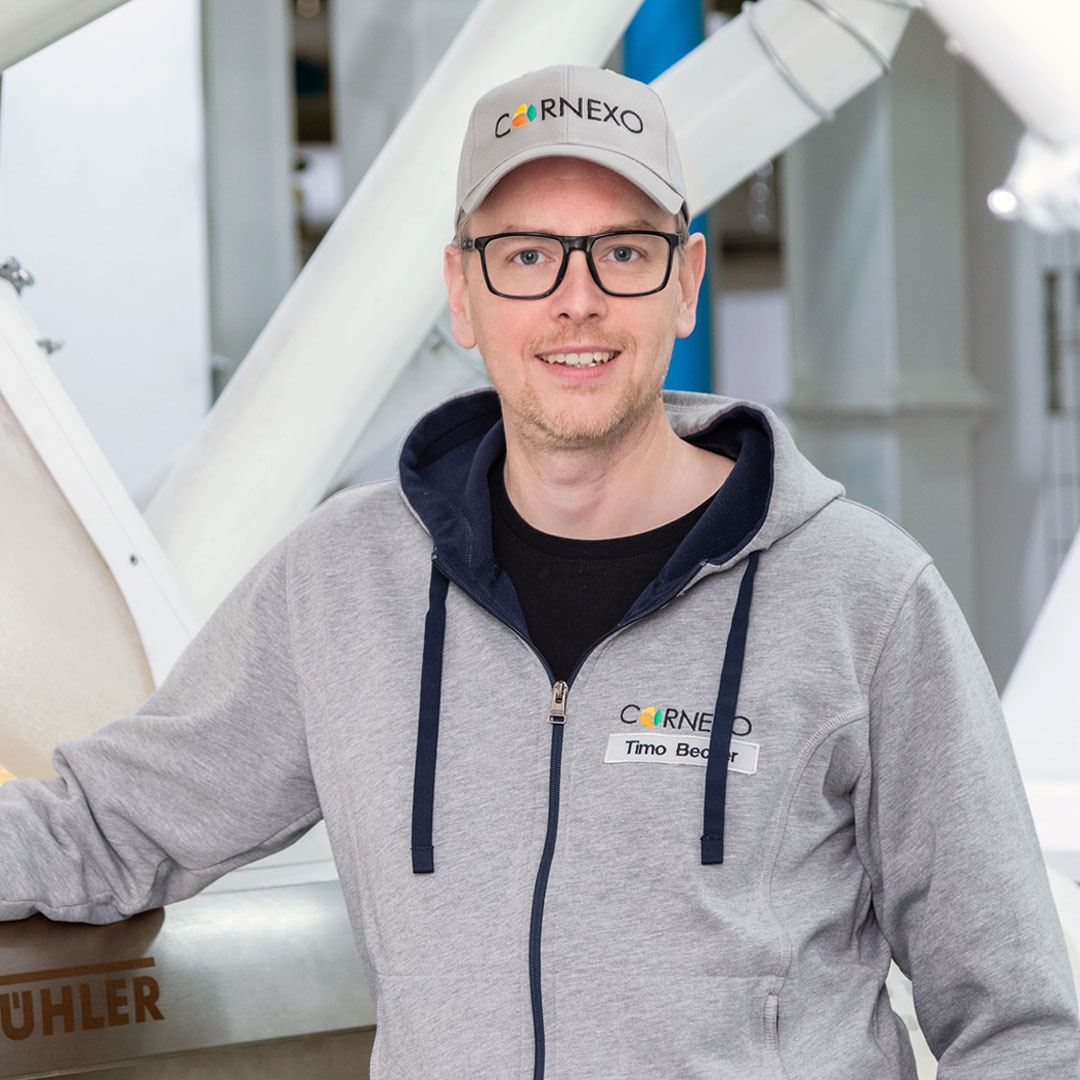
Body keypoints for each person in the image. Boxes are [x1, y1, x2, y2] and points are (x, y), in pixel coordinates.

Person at [0, 64, 1077, 1079]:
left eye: (623, 253)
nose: (577, 301)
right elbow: (108, 828)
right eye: (526, 256)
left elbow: (1019, 1023)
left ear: (685, 284)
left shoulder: (863, 597)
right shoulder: (340, 585)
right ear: (462, 293)